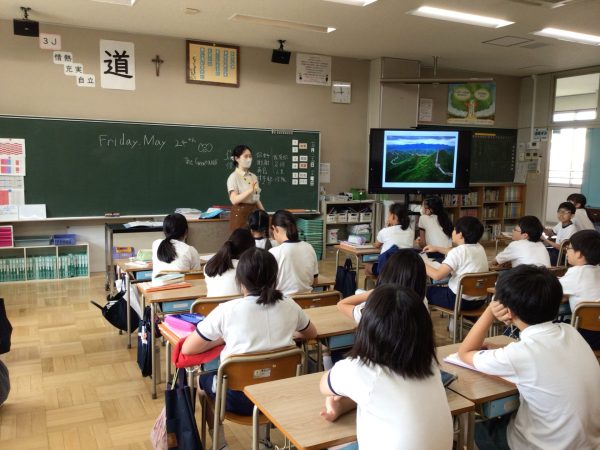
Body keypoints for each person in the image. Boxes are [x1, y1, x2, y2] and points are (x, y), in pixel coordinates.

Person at [182, 248, 318, 450]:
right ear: (275, 279)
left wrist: (221, 340)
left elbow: (188, 348)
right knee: (266, 372)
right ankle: (263, 441)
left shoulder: (227, 310)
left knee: (198, 381)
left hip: (235, 399)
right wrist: (289, 334)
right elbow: (311, 334)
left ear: (240, 281)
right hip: (280, 396)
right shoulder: (290, 305)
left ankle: (219, 444)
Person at [458, 265, 600, 450]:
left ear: (507, 311)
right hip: (590, 443)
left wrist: (489, 312)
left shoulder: (519, 355)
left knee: (472, 428)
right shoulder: (571, 331)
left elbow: (464, 353)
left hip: (540, 446)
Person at [320, 286, 453, 450]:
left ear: (367, 329)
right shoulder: (429, 365)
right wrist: (344, 406)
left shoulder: (360, 369)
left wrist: (338, 403)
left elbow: (324, 386)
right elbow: (381, 395)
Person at [337, 249, 428, 323]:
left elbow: (342, 304)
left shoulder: (376, 309)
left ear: (386, 274)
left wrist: (374, 292)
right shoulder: (422, 304)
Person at [424, 216, 489, 311]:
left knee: (423, 290)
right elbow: (457, 253)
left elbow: (437, 276)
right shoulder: (479, 248)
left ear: (460, 235)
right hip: (479, 301)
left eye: (454, 229)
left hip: (458, 301)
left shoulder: (458, 252)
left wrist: (421, 262)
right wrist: (437, 248)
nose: (453, 232)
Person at [559, 229, 600, 350]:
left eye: (569, 248)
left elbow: (551, 292)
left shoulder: (577, 273)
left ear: (579, 253)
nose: (566, 251)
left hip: (584, 337)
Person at [269, 209, 319, 295]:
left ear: (275, 229)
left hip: (283, 303)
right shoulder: (309, 247)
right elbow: (315, 282)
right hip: (307, 301)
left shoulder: (273, 253)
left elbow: (270, 286)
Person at [203, 228, 255, 297]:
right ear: (250, 250)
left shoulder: (209, 265)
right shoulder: (248, 268)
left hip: (213, 307)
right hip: (238, 306)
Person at [366, 203, 414, 276]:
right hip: (404, 270)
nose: (388, 217)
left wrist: (386, 227)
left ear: (393, 216)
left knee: (367, 266)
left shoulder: (385, 231)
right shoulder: (411, 232)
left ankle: (378, 286)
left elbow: (377, 245)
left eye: (389, 215)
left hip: (387, 270)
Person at [151, 213, 201, 279]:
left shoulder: (156, 244)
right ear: (186, 232)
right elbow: (196, 276)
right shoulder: (190, 250)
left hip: (156, 287)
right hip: (181, 287)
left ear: (164, 231)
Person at [227, 145, 264, 231]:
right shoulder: (233, 177)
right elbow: (234, 200)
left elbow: (256, 198)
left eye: (250, 156)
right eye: (246, 156)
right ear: (237, 158)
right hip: (240, 213)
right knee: (241, 241)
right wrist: (250, 190)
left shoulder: (254, 176)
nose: (249, 159)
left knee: (255, 242)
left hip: (254, 213)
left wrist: (263, 212)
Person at [417, 196, 453, 262]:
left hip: (434, 255)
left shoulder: (423, 218)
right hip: (449, 254)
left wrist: (418, 242)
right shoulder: (446, 218)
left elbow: (423, 245)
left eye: (422, 206)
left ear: (429, 209)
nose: (421, 208)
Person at [543, 201, 578, 265]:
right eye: (559, 211)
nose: (561, 214)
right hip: (556, 251)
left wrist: (545, 239)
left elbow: (561, 248)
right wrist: (542, 228)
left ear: (572, 215)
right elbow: (550, 233)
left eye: (565, 212)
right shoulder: (560, 224)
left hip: (563, 256)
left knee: (542, 257)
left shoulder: (572, 228)